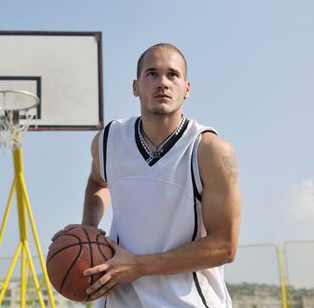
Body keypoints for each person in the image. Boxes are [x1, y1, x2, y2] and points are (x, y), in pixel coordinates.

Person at [79, 43, 240, 307]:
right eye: (152, 73)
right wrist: (87, 231)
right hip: (120, 300)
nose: (163, 82)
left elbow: (225, 246)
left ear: (186, 89)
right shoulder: (109, 141)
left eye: (173, 75)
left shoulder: (209, 151)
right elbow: (98, 181)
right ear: (135, 87)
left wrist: (140, 266)